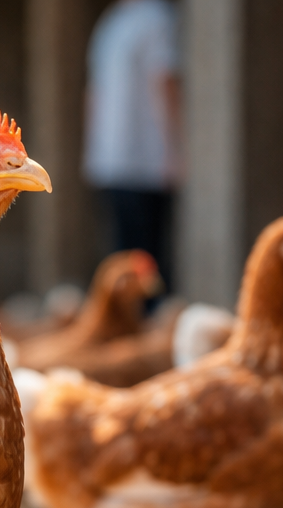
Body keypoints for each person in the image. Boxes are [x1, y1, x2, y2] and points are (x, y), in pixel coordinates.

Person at [83, 0, 183, 296]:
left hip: (110, 159)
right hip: (148, 160)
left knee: (124, 255)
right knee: (150, 265)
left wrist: (93, 151)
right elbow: (164, 81)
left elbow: (93, 94)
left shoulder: (111, 23)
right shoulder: (157, 18)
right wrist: (176, 149)